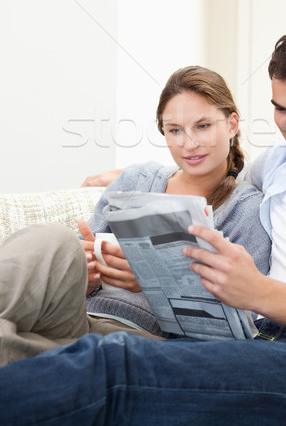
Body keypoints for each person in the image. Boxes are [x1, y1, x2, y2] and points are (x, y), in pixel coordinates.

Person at [1, 21, 286, 426]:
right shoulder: (279, 164)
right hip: (260, 342)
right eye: (281, 109)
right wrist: (136, 175)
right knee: (53, 252)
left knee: (115, 363)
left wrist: (257, 291)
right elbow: (217, 175)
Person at [0, 66, 270, 363]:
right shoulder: (136, 180)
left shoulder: (246, 210)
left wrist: (156, 282)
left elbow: (244, 324)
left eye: (203, 126)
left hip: (149, 344)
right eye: (175, 130)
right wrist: (85, 272)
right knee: (53, 237)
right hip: (78, 317)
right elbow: (75, 271)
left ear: (232, 125)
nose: (188, 143)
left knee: (52, 352)